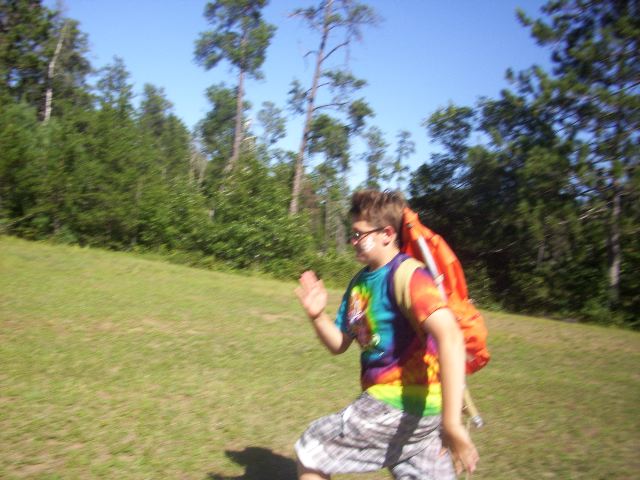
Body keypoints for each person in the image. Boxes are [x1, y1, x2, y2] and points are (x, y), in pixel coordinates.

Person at [294, 190, 479, 480]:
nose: (353, 241)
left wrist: (453, 423)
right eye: (352, 234)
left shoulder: (409, 276)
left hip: (393, 404)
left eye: (359, 234)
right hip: (420, 414)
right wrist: (318, 316)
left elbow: (451, 337)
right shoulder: (360, 283)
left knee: (313, 446)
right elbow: (339, 343)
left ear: (387, 234)